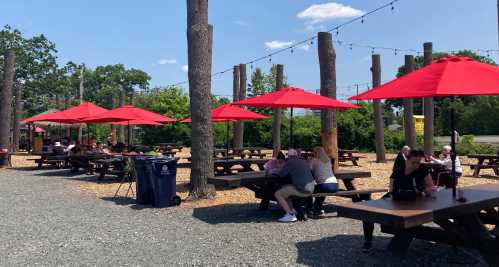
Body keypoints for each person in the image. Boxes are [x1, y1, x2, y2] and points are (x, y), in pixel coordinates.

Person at [274, 149, 315, 223]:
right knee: (285, 190)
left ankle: (290, 215)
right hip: (312, 188)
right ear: (296, 155)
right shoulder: (303, 161)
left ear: (289, 156)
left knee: (278, 193)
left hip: (302, 189)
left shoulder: (290, 162)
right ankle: (293, 211)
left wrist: (277, 169)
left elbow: (281, 174)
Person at [307, 147, 338, 217]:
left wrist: (308, 160)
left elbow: (308, 170)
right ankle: (318, 208)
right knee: (321, 191)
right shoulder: (328, 160)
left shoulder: (314, 160)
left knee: (308, 191)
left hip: (325, 185)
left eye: (313, 152)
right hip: (335, 185)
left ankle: (309, 209)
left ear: (315, 153)